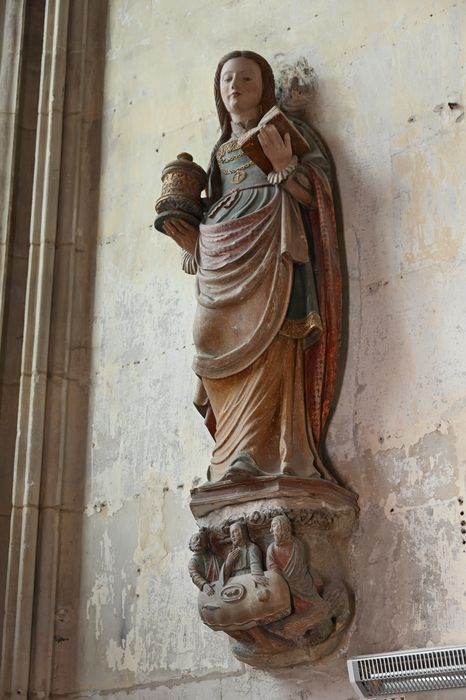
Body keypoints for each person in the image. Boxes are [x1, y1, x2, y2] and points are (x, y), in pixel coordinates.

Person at [164, 51, 341, 483]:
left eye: (246, 78)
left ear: (264, 89)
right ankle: (228, 451)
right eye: (227, 79)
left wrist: (286, 167)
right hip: (224, 255)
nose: (235, 87)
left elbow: (317, 190)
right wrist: (193, 239)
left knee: (272, 340)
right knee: (208, 339)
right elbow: (208, 206)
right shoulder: (220, 150)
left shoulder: (287, 131)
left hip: (272, 247)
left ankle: (261, 453)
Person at [188, 529, 222, 596]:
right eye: (196, 539)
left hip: (221, 585)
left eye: (202, 540)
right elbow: (195, 575)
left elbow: (222, 564)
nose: (199, 541)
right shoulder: (193, 562)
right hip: (210, 589)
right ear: (191, 544)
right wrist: (204, 584)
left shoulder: (212, 556)